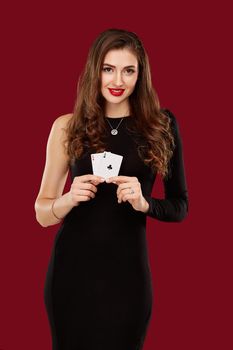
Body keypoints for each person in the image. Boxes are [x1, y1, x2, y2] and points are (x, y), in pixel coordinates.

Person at [34, 28, 189, 350]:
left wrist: (145, 203)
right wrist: (67, 198)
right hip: (71, 274)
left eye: (128, 70)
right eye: (108, 68)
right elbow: (42, 214)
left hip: (128, 277)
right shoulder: (67, 125)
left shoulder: (162, 125)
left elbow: (180, 207)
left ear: (140, 75)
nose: (117, 80)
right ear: (95, 71)